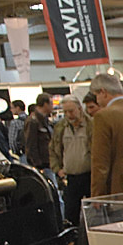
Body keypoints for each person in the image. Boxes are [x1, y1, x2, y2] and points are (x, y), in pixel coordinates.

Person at [49, 94, 92, 226]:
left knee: (94, 214)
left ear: (79, 108)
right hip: (70, 177)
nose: (69, 115)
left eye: (71, 111)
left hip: (90, 175)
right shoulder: (60, 127)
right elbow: (53, 150)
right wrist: (58, 169)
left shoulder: (92, 125)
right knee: (71, 214)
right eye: (65, 111)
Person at [24, 93, 59, 193]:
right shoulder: (33, 121)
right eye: (51, 103)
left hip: (50, 163)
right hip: (43, 164)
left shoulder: (45, 120)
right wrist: (38, 165)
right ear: (45, 104)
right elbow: (31, 145)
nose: (53, 106)